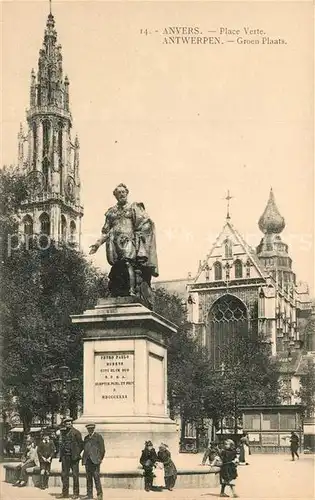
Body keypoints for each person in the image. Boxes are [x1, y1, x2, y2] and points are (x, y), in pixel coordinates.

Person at [89, 183, 158, 307]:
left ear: (127, 193)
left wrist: (140, 237)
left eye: (123, 192)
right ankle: (116, 291)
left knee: (128, 263)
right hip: (114, 243)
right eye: (119, 192)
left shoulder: (133, 207)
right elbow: (106, 232)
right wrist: (97, 244)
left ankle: (131, 291)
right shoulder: (111, 212)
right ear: (115, 195)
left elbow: (145, 223)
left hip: (129, 240)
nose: (121, 194)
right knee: (116, 267)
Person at [57, 417, 83, 499]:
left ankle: (76, 493)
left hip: (74, 458)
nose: (68, 424)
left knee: (75, 475)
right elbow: (61, 443)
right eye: (66, 423)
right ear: (65, 424)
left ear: (72, 423)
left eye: (69, 423)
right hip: (65, 457)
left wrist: (76, 453)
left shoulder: (77, 433)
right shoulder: (63, 433)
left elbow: (81, 445)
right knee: (64, 475)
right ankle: (65, 493)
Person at [82, 423, 105, 500]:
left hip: (95, 461)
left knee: (96, 477)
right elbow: (84, 448)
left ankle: (99, 494)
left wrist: (99, 459)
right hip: (87, 461)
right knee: (88, 478)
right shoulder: (86, 438)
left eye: (91, 429)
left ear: (93, 429)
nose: (90, 430)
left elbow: (102, 449)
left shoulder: (98, 437)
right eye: (88, 429)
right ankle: (89, 495)